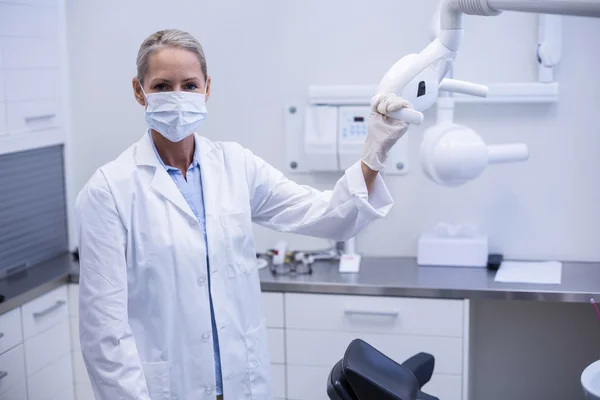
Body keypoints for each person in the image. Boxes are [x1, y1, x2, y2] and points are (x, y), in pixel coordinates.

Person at [75, 29, 412, 400]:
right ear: (139, 92)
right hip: (165, 391)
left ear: (207, 88)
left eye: (189, 85)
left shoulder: (236, 165)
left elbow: (326, 214)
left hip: (242, 383)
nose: (177, 97)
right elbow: (104, 335)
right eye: (161, 86)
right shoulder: (109, 191)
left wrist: (374, 153)